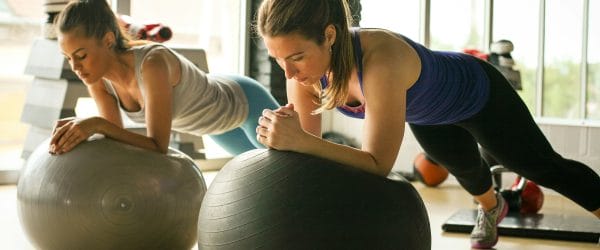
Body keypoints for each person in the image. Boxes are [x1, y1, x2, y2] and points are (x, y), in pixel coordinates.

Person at [254, 0, 600, 249]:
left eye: (297, 57)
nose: (288, 72)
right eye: (277, 59)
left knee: (539, 166)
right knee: (465, 170)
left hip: (478, 93)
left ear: (329, 35)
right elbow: (310, 161)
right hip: (427, 114)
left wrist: (298, 140)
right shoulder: (300, 76)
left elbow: (377, 163)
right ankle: (493, 208)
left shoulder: (380, 58)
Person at [49, 0, 279, 156]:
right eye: (68, 58)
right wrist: (83, 131)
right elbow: (116, 143)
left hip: (243, 104)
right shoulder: (97, 79)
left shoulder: (152, 64)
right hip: (214, 126)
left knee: (292, 179)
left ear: (108, 40)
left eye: (81, 55)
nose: (75, 66)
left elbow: (158, 145)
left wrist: (96, 124)